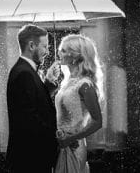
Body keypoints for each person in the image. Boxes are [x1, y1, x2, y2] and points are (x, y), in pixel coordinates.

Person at [6, 24, 60, 173]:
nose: (48, 52)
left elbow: (35, 103)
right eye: (44, 47)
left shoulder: (26, 70)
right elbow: (30, 119)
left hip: (31, 156)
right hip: (29, 159)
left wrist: (48, 83)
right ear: (31, 45)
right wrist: (56, 136)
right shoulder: (24, 73)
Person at [46, 34, 104, 173]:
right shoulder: (67, 81)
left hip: (74, 146)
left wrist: (71, 138)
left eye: (64, 50)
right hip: (61, 145)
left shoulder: (85, 85)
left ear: (76, 57)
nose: (59, 53)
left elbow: (97, 121)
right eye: (60, 49)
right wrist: (50, 82)